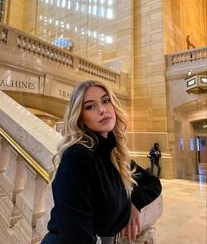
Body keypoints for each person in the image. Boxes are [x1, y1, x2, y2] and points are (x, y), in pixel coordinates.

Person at [41, 80, 162, 244]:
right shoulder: (78, 156)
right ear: (81, 118)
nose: (102, 110)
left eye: (106, 101)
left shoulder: (114, 154)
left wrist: (133, 203)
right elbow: (76, 236)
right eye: (90, 106)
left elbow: (152, 182)